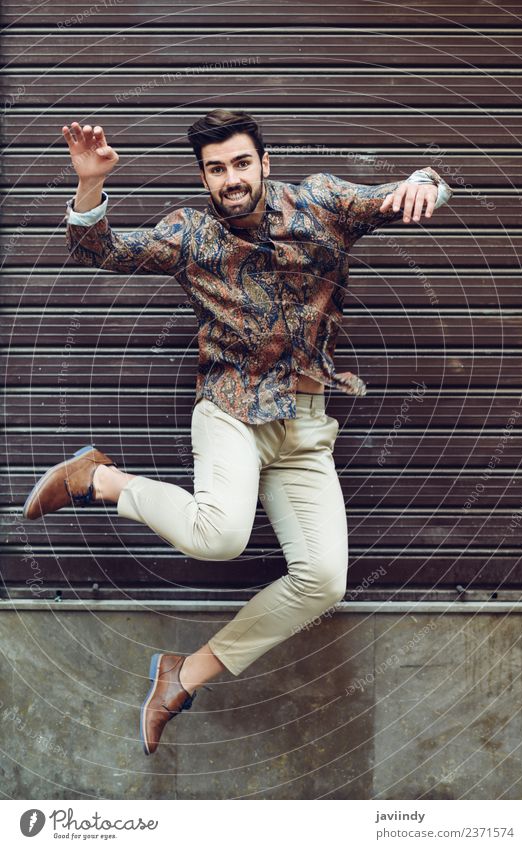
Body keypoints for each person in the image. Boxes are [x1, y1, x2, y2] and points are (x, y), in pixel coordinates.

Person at [22, 110, 453, 755]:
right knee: (219, 535)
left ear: (265, 163)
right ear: (204, 177)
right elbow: (99, 251)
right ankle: (101, 479)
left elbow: (406, 195)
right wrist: (89, 186)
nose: (231, 180)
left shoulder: (323, 203)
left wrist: (426, 182)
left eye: (241, 164)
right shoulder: (190, 234)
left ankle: (183, 675)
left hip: (303, 427)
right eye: (216, 170)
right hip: (230, 409)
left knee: (325, 579)